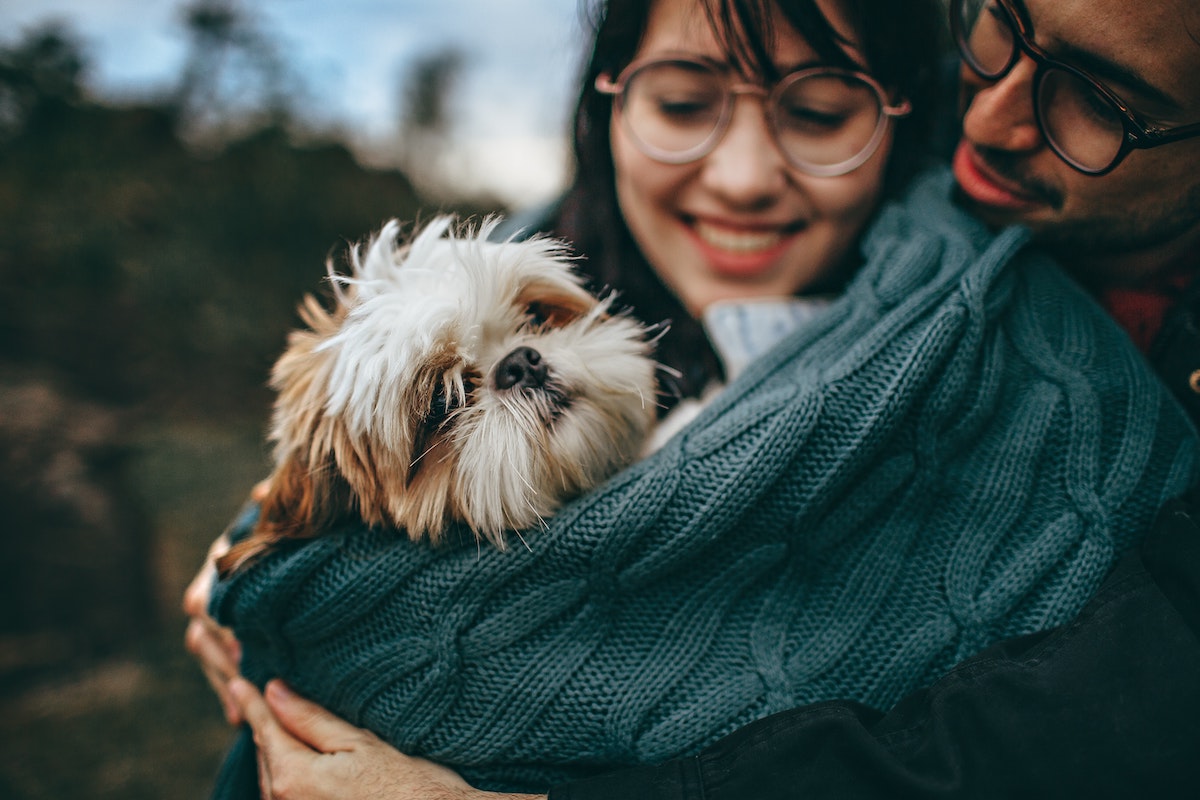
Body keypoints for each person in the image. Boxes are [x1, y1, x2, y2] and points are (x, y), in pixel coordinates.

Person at [184, 0, 1200, 797]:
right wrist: (253, 557)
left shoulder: (1024, 336)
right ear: (606, 103)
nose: (747, 176)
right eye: (680, 102)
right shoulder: (540, 244)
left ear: (897, 115)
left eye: (817, 111)